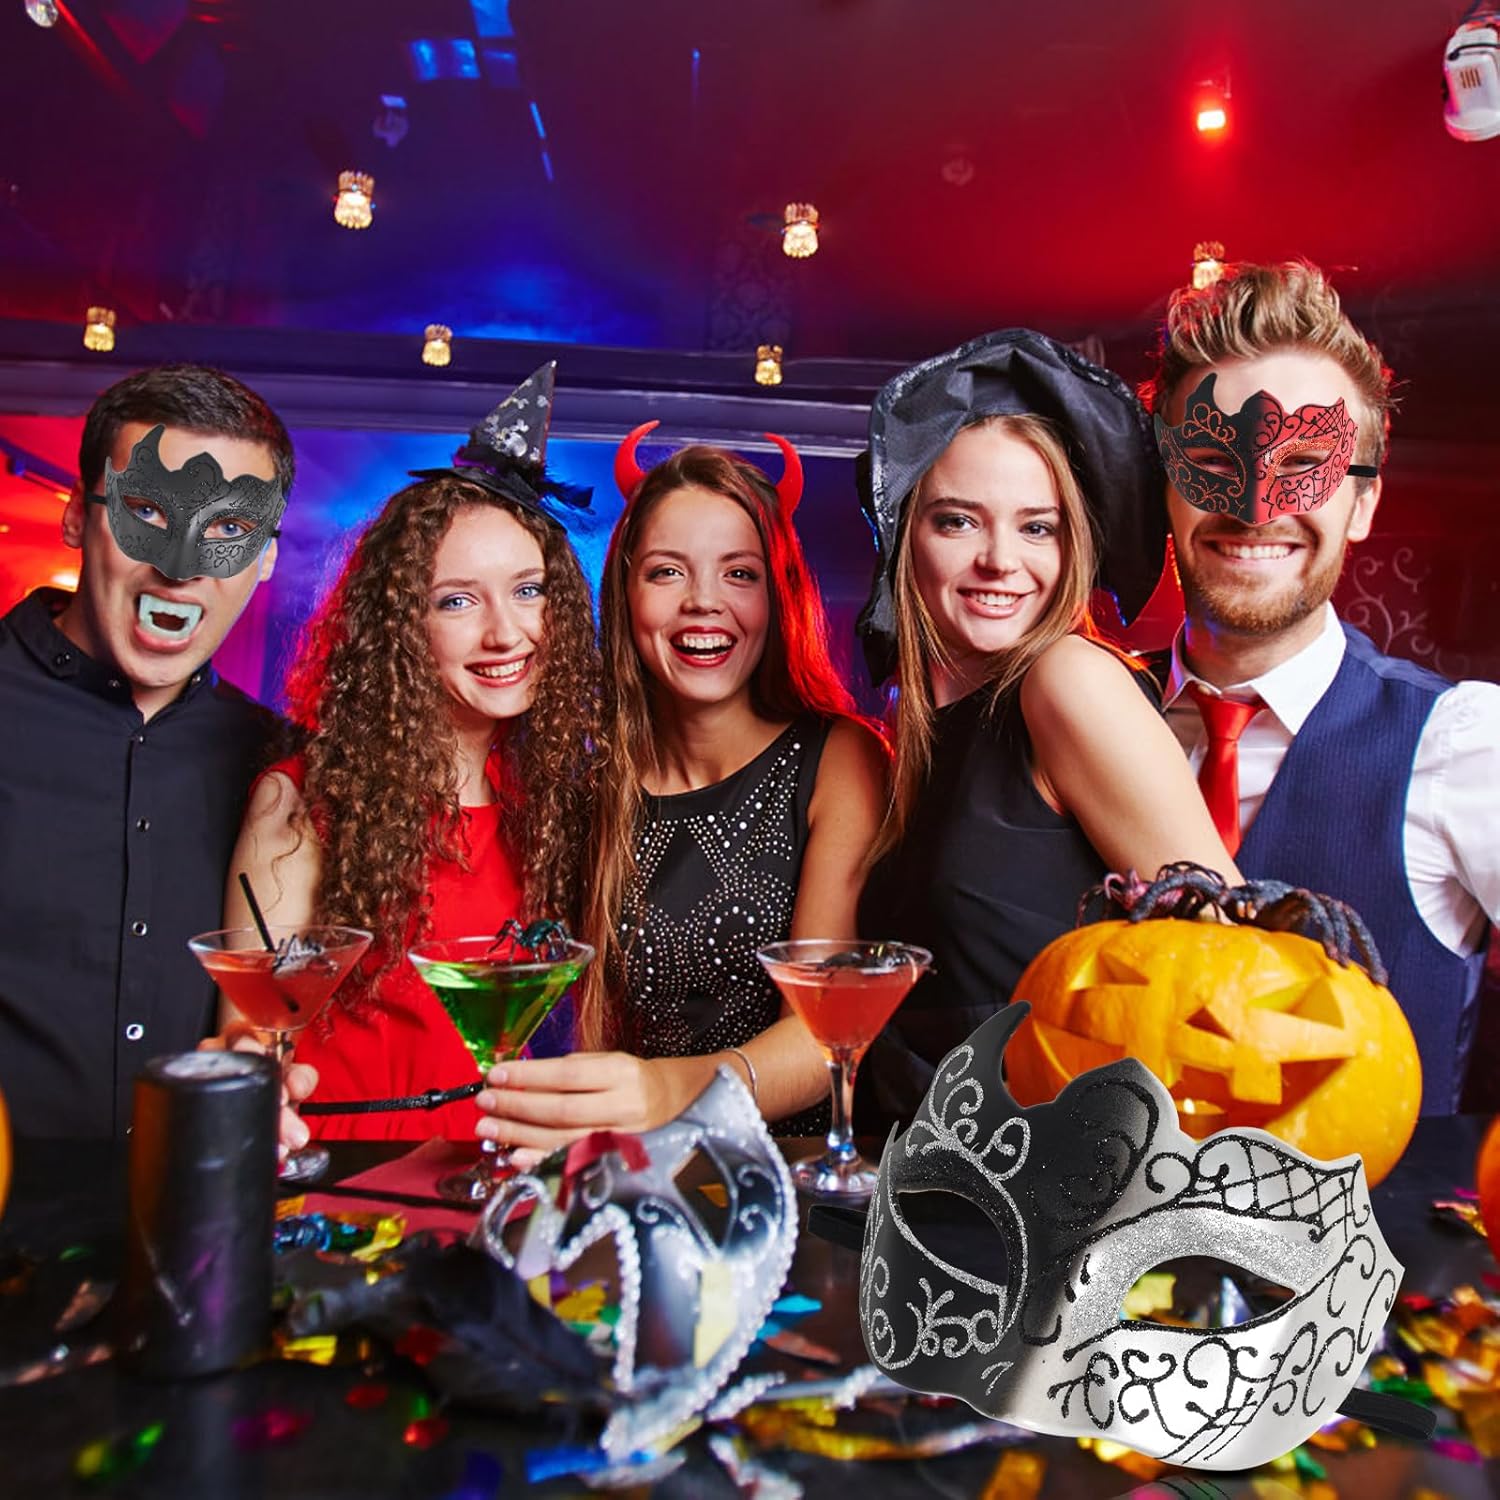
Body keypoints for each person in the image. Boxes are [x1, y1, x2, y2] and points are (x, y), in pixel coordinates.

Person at [853, 329, 1240, 1129]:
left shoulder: (1068, 680)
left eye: (1038, 527)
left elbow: (1230, 957)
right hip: (932, 1173)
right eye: (958, 522)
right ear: (905, 536)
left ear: (1075, 548)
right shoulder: (915, 730)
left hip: (1053, 1174)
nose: (1001, 560)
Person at [1141, 261, 1500, 1115]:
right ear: (1164, 488)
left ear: (1363, 505)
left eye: (1305, 463)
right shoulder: (1080, 720)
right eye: (1210, 459)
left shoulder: (1464, 742)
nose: (1256, 507)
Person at [473, 428, 888, 1154]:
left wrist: (666, 1092)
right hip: (632, 1165)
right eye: (667, 572)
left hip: (786, 1173)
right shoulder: (590, 778)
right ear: (625, 593)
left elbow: (824, 1033)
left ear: (778, 595)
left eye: (739, 574)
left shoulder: (839, 759)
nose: (703, 602)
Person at [222, 365, 601, 1143]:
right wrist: (251, 1067)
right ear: (401, 627)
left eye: (528, 590)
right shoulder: (300, 801)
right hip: (339, 1172)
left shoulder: (553, 801)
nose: (505, 632)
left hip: (487, 1173)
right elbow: (250, 1026)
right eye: (456, 600)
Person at [0, 364, 291, 1138]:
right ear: (77, 517)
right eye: (148, 511)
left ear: (265, 557)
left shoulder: (279, 766)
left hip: (197, 1201)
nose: (182, 564)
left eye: (228, 530)